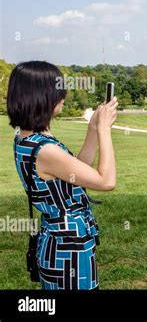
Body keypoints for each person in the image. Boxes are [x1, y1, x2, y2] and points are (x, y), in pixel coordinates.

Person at [7, 61, 118, 289]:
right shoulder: (45, 150)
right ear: (42, 96)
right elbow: (106, 181)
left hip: (58, 242)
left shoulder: (26, 139)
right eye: (58, 90)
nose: (63, 95)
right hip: (68, 249)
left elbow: (75, 172)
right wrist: (105, 130)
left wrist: (93, 129)